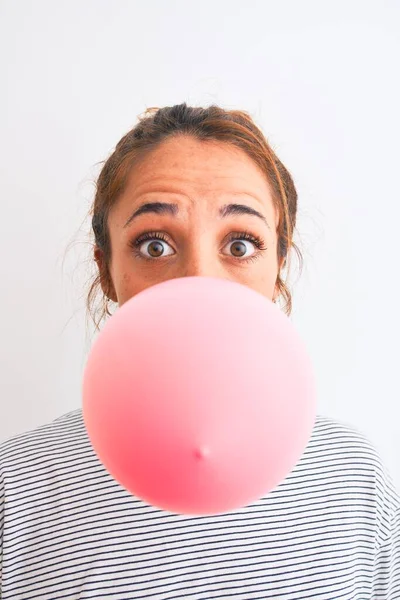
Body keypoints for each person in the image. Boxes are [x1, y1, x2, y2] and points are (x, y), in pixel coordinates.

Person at [0, 103, 399, 600]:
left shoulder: (354, 476)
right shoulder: (14, 488)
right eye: (154, 245)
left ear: (278, 269)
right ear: (106, 271)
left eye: (239, 245)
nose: (200, 282)